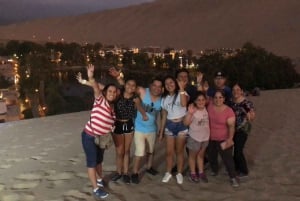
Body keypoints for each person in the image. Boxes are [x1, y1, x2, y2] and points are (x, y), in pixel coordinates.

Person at [77, 64, 117, 199]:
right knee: (92, 162)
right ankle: (95, 189)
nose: (112, 93)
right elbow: (95, 87)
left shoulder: (113, 109)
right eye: (109, 91)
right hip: (89, 136)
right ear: (105, 93)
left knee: (99, 161)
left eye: (114, 92)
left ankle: (100, 179)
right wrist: (91, 77)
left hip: (102, 138)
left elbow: (110, 124)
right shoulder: (100, 100)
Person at [110, 77, 146, 184]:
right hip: (118, 124)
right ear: (125, 85)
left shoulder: (136, 98)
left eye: (133, 85)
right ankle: (118, 172)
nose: (130, 87)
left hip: (129, 124)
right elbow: (106, 91)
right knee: (119, 151)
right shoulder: (117, 95)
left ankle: (125, 173)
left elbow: (139, 107)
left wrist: (144, 115)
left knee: (126, 151)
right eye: (128, 84)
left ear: (135, 88)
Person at [130, 77, 163, 184]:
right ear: (150, 86)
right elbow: (129, 87)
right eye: (155, 85)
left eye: (159, 86)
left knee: (151, 151)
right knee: (140, 152)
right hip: (139, 128)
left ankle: (149, 167)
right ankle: (135, 172)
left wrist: (161, 131)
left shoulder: (162, 99)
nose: (156, 88)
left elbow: (162, 115)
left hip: (152, 129)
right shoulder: (143, 91)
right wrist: (118, 77)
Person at [159, 75, 188, 184]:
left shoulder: (182, 93)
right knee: (169, 152)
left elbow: (184, 103)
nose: (169, 85)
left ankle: (179, 173)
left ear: (176, 83)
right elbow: (164, 115)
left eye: (171, 82)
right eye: (166, 84)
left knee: (179, 151)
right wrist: (161, 132)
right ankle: (168, 172)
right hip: (170, 125)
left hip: (181, 125)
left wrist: (181, 88)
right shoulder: (164, 98)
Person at [207, 89, 239, 187]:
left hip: (223, 138)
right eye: (216, 97)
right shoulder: (209, 106)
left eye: (220, 97)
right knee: (212, 156)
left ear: (224, 99)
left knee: (228, 159)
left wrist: (230, 139)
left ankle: (233, 177)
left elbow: (231, 126)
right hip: (211, 138)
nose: (218, 99)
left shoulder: (229, 111)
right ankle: (214, 170)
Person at [229, 83, 255, 178]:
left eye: (238, 89)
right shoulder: (231, 102)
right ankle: (236, 168)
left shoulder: (246, 103)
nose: (236, 92)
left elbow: (252, 116)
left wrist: (250, 116)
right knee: (233, 149)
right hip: (232, 129)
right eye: (234, 90)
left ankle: (244, 170)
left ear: (242, 91)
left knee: (238, 150)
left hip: (242, 129)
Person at [183, 92, 210, 183]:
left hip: (205, 138)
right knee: (192, 157)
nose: (201, 102)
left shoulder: (206, 108)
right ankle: (193, 173)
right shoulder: (192, 109)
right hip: (194, 138)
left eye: (203, 100)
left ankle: (201, 172)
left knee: (201, 156)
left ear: (205, 101)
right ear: (194, 101)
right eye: (198, 100)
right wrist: (190, 114)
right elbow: (186, 123)